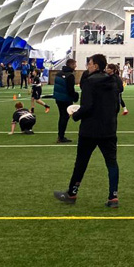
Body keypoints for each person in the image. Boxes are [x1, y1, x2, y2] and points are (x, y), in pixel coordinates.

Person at [54, 54, 120, 208]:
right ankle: (113, 197)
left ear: (96, 66)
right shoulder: (114, 81)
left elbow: (87, 106)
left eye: (89, 63)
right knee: (111, 163)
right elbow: (116, 107)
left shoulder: (90, 82)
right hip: (109, 129)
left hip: (90, 130)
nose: (87, 66)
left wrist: (75, 115)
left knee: (81, 163)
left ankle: (71, 193)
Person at [52, 59, 79, 144]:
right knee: (64, 117)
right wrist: (75, 96)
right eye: (75, 64)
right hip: (65, 99)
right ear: (71, 65)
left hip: (58, 98)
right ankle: (61, 136)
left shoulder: (59, 73)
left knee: (62, 116)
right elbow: (70, 90)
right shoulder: (70, 75)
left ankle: (60, 135)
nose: (75, 66)